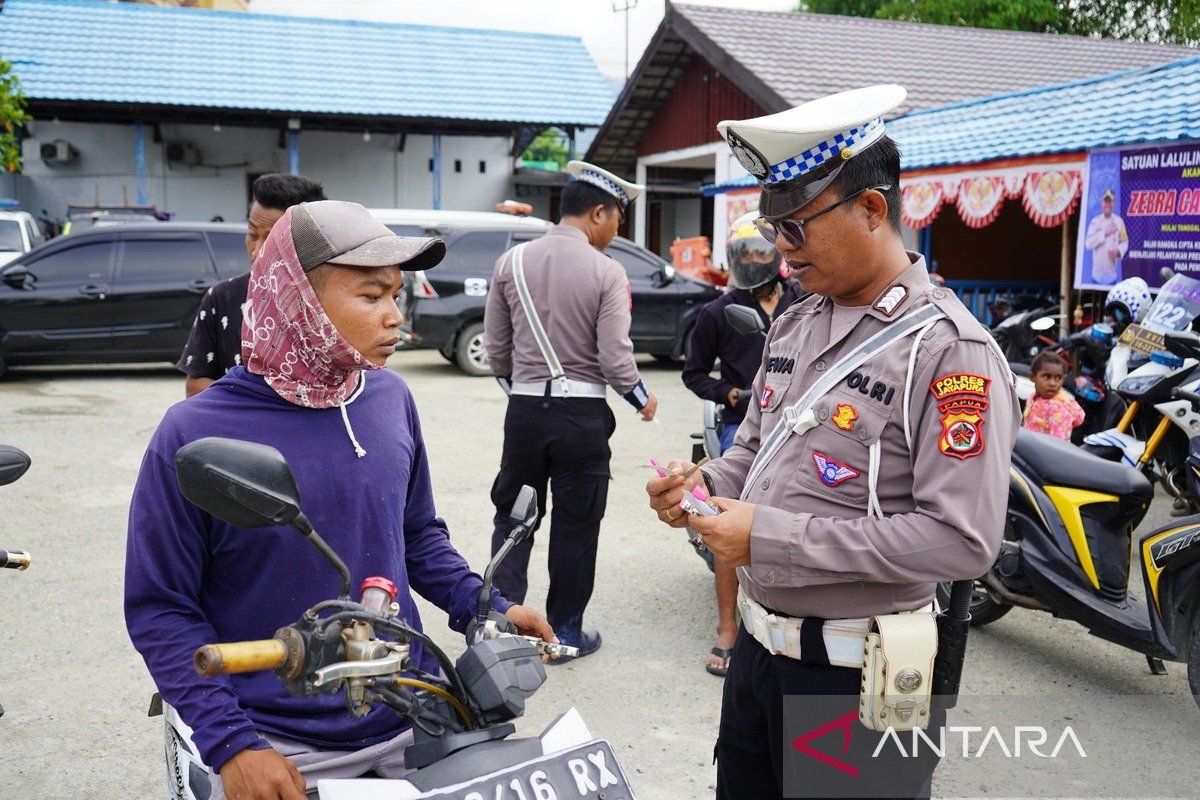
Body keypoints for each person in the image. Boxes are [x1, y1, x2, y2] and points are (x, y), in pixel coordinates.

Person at [645, 85, 1019, 800]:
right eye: (771, 231)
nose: (780, 253)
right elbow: (753, 450)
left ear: (872, 209)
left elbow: (962, 541)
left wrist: (771, 538)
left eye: (795, 230)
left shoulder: (948, 353)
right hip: (758, 656)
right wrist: (705, 487)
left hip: (855, 683)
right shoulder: (795, 321)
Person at [126, 201, 555, 800]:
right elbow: (160, 607)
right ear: (297, 298)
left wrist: (485, 606)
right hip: (273, 740)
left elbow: (414, 534)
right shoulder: (192, 434)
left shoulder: (388, 399)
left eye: (397, 296)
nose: (396, 319)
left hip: (411, 709)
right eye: (372, 296)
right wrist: (230, 743)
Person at [483, 160, 658, 661]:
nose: (616, 231)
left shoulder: (509, 263)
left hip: (524, 413)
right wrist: (641, 397)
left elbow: (497, 352)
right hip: (581, 417)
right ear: (598, 213)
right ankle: (565, 633)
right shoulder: (608, 271)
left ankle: (504, 627)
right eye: (617, 219)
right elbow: (614, 358)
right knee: (577, 526)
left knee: (515, 517)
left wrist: (527, 388)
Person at [682, 211, 804, 678]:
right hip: (742, 422)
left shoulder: (804, 299)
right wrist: (728, 393)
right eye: (745, 253)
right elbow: (693, 373)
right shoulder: (717, 313)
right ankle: (728, 627)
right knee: (728, 508)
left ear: (777, 255)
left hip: (799, 418)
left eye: (760, 251)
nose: (753, 259)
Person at [178, 173, 327, 397]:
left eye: (274, 239)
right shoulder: (223, 297)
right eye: (252, 234)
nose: (257, 252)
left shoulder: (331, 300)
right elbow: (197, 384)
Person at [1023, 351, 1085, 440]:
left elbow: (1057, 445)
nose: (1052, 383)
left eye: (1057, 378)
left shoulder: (1058, 409)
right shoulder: (1034, 397)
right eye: (1046, 377)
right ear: (1032, 377)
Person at [1084, 188, 1128, 285]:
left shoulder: (1119, 221)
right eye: (1105, 201)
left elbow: (1125, 242)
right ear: (1102, 203)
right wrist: (1104, 233)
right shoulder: (1095, 222)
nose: (1107, 204)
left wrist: (1119, 252)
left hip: (1112, 277)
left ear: (1114, 203)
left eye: (1110, 201)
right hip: (1096, 277)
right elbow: (1088, 244)